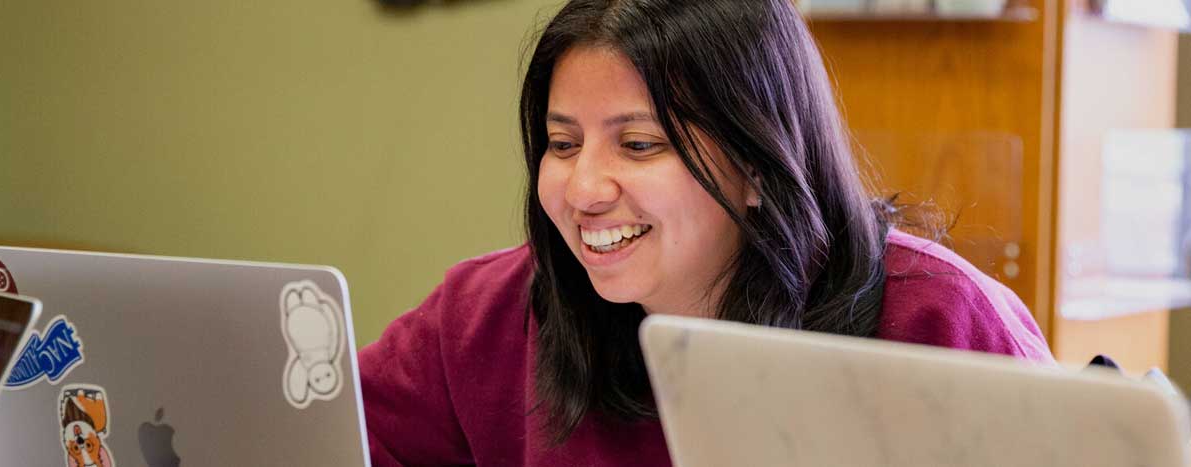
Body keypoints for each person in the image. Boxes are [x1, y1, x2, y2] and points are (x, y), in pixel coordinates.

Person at [357, 0, 1054, 465]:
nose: (583, 189)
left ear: (759, 163)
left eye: (638, 145)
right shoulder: (484, 315)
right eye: (562, 144)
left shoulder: (943, 322)